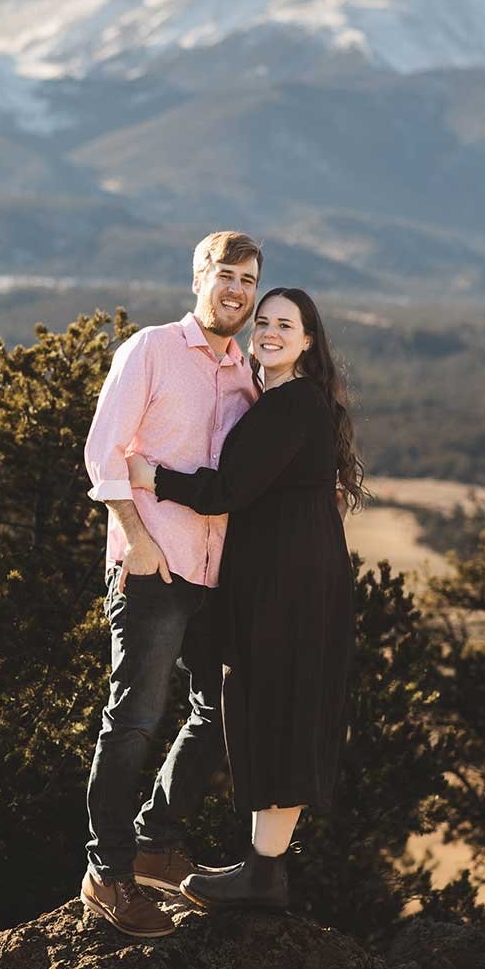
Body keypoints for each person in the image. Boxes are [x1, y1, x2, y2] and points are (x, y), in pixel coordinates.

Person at [130, 286, 360, 913]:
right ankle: (261, 871)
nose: (271, 331)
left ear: (309, 341)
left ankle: (264, 876)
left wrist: (154, 477)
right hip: (286, 576)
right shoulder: (283, 401)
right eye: (264, 321)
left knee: (281, 712)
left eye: (287, 324)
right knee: (267, 710)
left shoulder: (292, 404)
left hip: (291, 583)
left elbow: (227, 489)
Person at [78, 232, 263, 940]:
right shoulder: (151, 349)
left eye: (248, 280)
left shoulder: (247, 377)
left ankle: (155, 842)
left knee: (219, 709)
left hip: (213, 577)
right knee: (133, 717)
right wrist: (140, 540)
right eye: (225, 275)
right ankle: (108, 872)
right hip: (153, 568)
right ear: (197, 279)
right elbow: (104, 451)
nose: (237, 291)